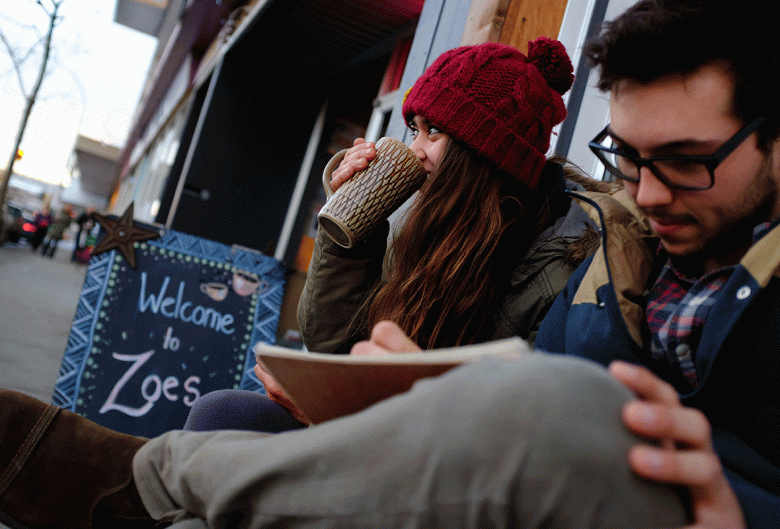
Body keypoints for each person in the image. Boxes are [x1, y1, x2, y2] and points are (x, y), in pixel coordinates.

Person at [1, 2, 771, 528]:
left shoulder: (575, 245)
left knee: (562, 403)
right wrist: (349, 229)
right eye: (627, 158)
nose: (646, 189)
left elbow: (545, 422)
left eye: (684, 161)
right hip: (507, 476)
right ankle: (140, 488)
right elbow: (341, 349)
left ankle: (133, 483)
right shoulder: (627, 250)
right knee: (227, 412)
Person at [188, 38, 611, 430]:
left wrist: (330, 414)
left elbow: (508, 436)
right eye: (415, 129)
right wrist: (352, 228)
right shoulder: (426, 224)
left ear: (486, 153)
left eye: (436, 131)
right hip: (377, 429)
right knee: (222, 413)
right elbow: (333, 346)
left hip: (434, 455)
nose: (415, 150)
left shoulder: (562, 268)